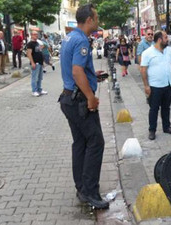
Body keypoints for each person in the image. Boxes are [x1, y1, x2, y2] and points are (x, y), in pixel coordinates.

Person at [59, 3, 109, 209]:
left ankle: (81, 187)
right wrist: (91, 97)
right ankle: (90, 191)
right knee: (96, 142)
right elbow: (77, 72)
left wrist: (92, 75)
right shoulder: (80, 40)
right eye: (95, 18)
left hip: (68, 97)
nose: (97, 22)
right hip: (79, 101)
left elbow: (77, 69)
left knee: (80, 143)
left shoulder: (69, 37)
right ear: (89, 19)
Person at [140, 30, 171, 140]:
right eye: (166, 38)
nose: (168, 40)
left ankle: (167, 127)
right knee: (154, 109)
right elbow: (143, 70)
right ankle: (152, 130)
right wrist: (146, 86)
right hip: (154, 86)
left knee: (166, 108)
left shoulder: (168, 51)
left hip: (167, 85)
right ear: (160, 40)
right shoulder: (147, 53)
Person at [27, 31, 47, 97]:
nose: (36, 35)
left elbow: (40, 52)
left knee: (40, 77)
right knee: (34, 77)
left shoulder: (37, 43)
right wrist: (32, 62)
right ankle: (34, 90)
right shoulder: (30, 44)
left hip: (40, 62)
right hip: (35, 62)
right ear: (31, 35)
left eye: (37, 34)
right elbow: (29, 54)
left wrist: (43, 62)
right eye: (35, 34)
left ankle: (39, 89)